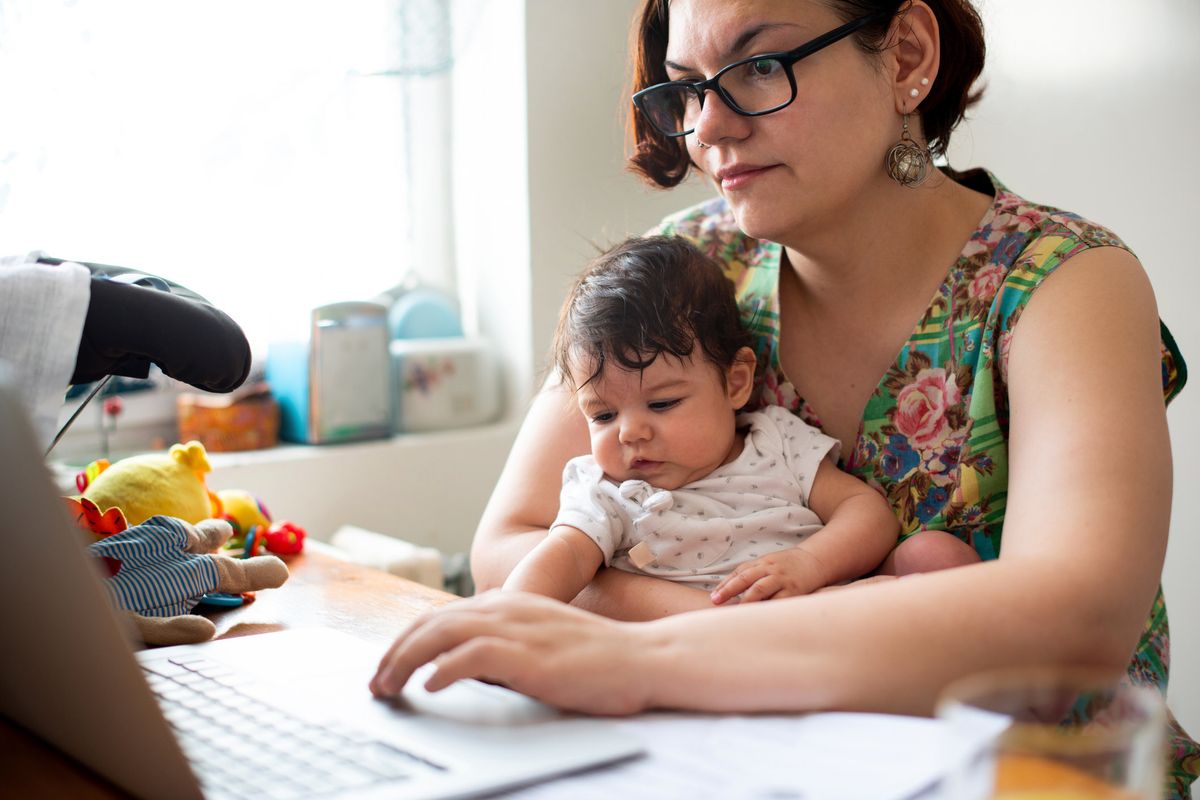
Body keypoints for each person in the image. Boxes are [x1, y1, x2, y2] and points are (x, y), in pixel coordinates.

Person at [372, 1, 1197, 796]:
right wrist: (719, 620)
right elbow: (508, 545)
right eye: (689, 87)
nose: (708, 127)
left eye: (759, 66)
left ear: (907, 55)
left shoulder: (1064, 282)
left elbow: (1075, 621)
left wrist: (642, 655)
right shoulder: (687, 269)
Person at [504, 235, 909, 606]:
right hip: (695, 652)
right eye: (604, 415)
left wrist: (810, 562)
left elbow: (864, 511)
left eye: (662, 404)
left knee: (931, 557)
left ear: (735, 383)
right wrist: (507, 614)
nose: (629, 432)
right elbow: (564, 558)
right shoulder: (608, 492)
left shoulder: (775, 441)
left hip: (818, 615)